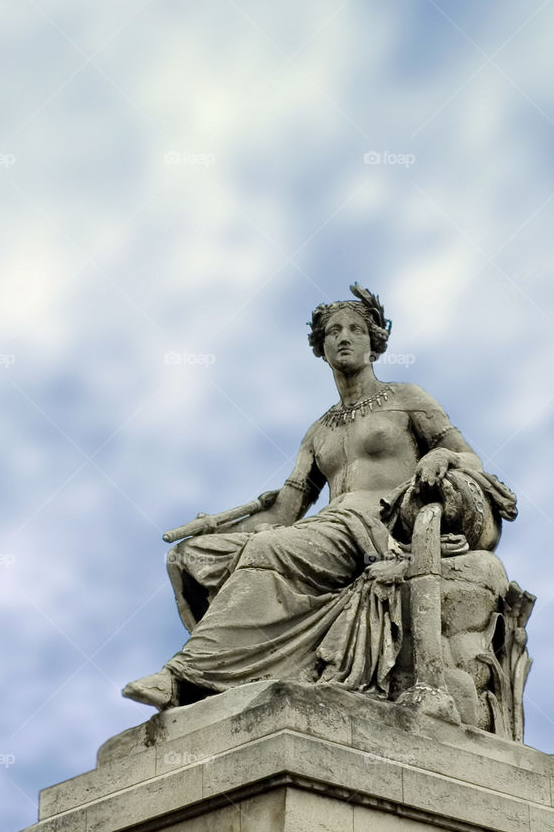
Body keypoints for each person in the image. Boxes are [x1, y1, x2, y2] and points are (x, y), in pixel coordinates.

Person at [122, 284, 515, 711]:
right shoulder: (318, 432)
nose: (343, 337)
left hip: (375, 529)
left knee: (266, 547)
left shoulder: (408, 399)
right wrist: (223, 528)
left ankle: (184, 676)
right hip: (322, 531)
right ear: (321, 347)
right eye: (333, 332)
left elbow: (469, 456)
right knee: (200, 554)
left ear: (375, 342)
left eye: (355, 330)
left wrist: (440, 455)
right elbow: (283, 512)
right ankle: (234, 675)